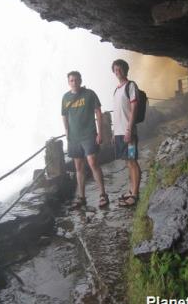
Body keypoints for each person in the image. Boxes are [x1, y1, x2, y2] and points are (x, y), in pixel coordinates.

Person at [61, 71, 108, 208]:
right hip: (74, 137)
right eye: (71, 80)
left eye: (76, 80)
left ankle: (103, 195)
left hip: (89, 134)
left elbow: (98, 112)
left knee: (93, 162)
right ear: (68, 82)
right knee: (78, 167)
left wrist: (100, 132)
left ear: (80, 80)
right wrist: (66, 132)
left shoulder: (89, 94)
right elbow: (64, 115)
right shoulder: (65, 97)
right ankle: (81, 197)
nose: (74, 82)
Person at [111, 59, 142, 207]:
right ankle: (131, 190)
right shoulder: (116, 89)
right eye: (115, 69)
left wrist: (129, 129)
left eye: (120, 69)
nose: (118, 71)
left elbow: (134, 108)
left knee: (132, 161)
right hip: (119, 133)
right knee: (128, 162)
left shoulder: (131, 86)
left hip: (128, 132)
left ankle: (135, 195)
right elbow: (117, 113)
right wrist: (113, 133)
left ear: (125, 70)